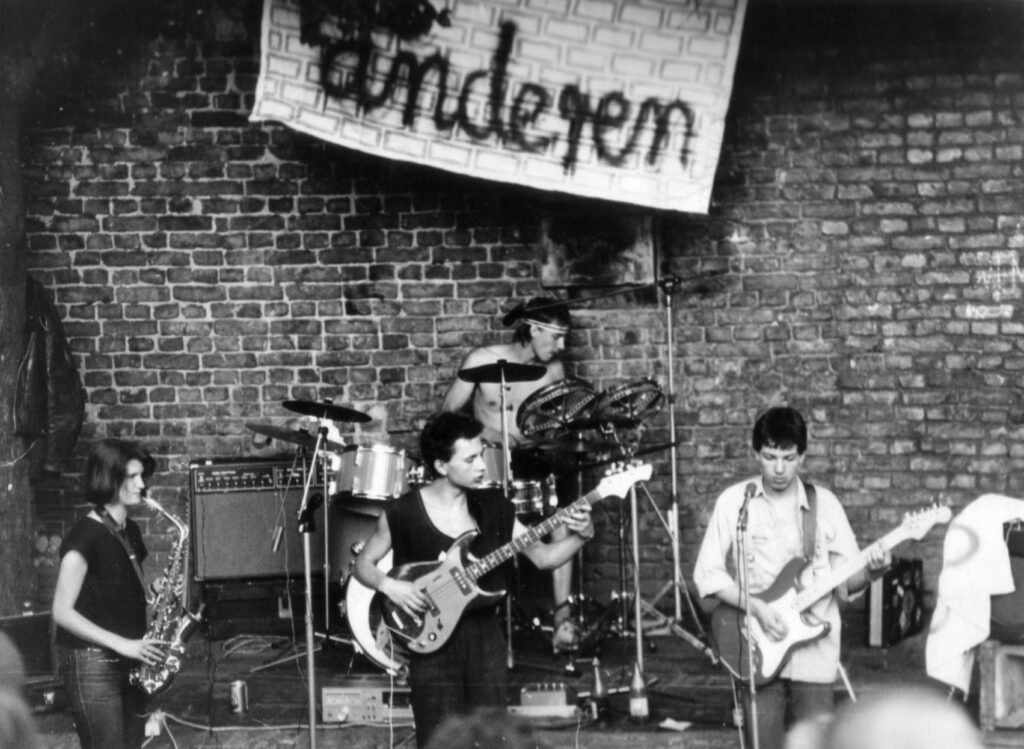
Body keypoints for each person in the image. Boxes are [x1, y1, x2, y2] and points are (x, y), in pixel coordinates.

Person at [352, 412, 595, 749]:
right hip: (431, 643)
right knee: (437, 740)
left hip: (485, 639)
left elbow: (543, 557)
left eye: (481, 455)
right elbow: (362, 564)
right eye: (470, 459)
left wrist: (583, 535)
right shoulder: (402, 512)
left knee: (493, 739)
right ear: (441, 465)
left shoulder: (495, 508)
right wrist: (390, 585)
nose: (482, 466)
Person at [693, 406, 891, 749]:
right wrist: (756, 607)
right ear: (756, 454)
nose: (779, 469)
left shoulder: (825, 505)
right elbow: (707, 574)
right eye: (770, 457)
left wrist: (873, 571)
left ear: (802, 457)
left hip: (814, 656)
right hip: (757, 646)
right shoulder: (735, 502)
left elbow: (847, 582)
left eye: (788, 458)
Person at [440, 297, 581, 652]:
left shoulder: (554, 371)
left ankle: (562, 621)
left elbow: (560, 426)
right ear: (532, 329)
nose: (561, 345)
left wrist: (549, 435)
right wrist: (489, 433)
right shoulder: (482, 360)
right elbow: (447, 416)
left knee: (561, 515)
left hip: (532, 460)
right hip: (487, 464)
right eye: (556, 336)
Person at [52, 439, 166, 749]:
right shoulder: (85, 536)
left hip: (128, 659)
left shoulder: (131, 530)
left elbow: (116, 589)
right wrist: (123, 644)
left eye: (142, 476)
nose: (142, 484)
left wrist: (154, 590)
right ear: (108, 479)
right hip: (92, 664)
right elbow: (61, 611)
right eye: (132, 477)